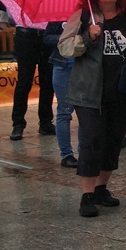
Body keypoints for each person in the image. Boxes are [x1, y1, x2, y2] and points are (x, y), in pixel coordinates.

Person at [58, 0, 126, 217]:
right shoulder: (82, 16)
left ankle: (102, 188)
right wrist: (86, 37)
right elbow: (65, 47)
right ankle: (87, 195)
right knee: (92, 139)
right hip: (89, 91)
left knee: (113, 140)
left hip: (122, 90)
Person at [44, 20, 78, 168]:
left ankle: (86, 152)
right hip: (63, 66)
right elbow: (47, 38)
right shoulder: (58, 16)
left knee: (86, 112)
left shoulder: (89, 14)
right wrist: (65, 36)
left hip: (85, 67)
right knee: (64, 112)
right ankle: (66, 154)